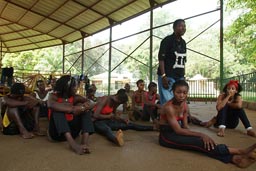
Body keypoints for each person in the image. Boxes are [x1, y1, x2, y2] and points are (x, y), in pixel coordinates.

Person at [158, 80, 256, 168]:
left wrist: (193, 136)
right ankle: (240, 151)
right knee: (199, 142)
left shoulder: (184, 104)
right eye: (178, 92)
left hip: (177, 133)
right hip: (167, 137)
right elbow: (178, 130)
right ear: (173, 92)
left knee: (202, 143)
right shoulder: (168, 107)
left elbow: (185, 126)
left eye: (184, 93)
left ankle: (234, 159)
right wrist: (201, 134)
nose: (182, 95)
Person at [47, 75, 95, 155]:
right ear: (67, 87)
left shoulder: (76, 97)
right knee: (57, 111)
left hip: (73, 133)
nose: (76, 88)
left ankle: (84, 143)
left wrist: (85, 106)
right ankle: (73, 145)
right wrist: (75, 109)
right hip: (56, 134)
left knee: (85, 110)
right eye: (74, 86)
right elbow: (51, 105)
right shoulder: (53, 96)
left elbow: (92, 103)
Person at [157, 19, 187, 105]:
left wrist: (183, 76)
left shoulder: (183, 43)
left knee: (179, 101)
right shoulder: (167, 41)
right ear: (174, 28)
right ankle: (167, 118)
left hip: (179, 76)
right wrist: (163, 76)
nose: (183, 28)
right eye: (180, 26)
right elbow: (161, 59)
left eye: (184, 26)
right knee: (168, 102)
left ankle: (178, 118)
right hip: (168, 76)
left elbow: (183, 61)